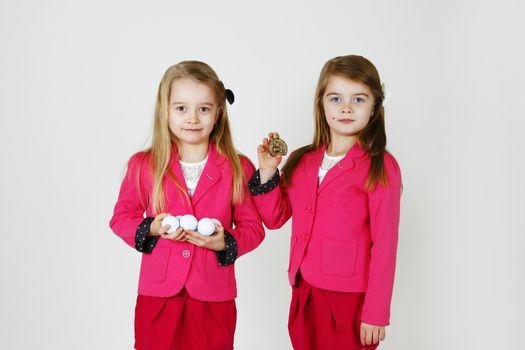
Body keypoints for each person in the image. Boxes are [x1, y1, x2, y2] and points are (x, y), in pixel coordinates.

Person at [109, 60, 265, 350]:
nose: (192, 118)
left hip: (213, 296)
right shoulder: (144, 165)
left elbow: (253, 228)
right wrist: (152, 227)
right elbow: (121, 218)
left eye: (203, 109)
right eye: (181, 108)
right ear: (165, 110)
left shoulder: (237, 167)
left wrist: (223, 243)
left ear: (218, 113)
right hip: (159, 295)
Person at [249, 55, 401, 349]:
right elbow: (275, 217)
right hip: (304, 290)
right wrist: (268, 172)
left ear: (374, 107)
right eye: (335, 98)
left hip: (350, 299)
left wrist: (376, 311)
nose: (345, 108)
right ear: (321, 103)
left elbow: (385, 244)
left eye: (358, 99)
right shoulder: (302, 160)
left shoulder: (381, 166)